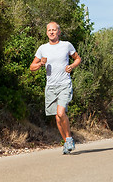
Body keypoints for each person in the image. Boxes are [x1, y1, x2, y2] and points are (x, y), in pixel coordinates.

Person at [30, 21, 81, 154]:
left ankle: (69, 138)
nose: (51, 32)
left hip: (64, 84)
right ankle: (66, 142)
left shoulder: (66, 45)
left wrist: (72, 66)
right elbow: (32, 67)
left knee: (61, 113)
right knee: (57, 117)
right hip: (51, 86)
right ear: (46, 33)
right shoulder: (42, 48)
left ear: (59, 32)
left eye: (54, 30)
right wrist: (41, 63)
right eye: (49, 30)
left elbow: (77, 59)